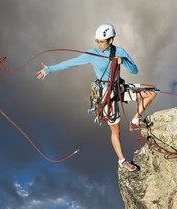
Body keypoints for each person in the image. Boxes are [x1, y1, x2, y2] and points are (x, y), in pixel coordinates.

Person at [36, 23, 157, 172]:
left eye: (102, 41)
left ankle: (135, 120)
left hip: (119, 87)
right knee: (115, 131)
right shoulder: (92, 54)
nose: (99, 45)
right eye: (97, 41)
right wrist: (49, 69)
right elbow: (72, 63)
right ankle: (122, 160)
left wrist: (122, 61)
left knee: (151, 92)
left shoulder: (119, 51)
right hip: (105, 93)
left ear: (111, 40)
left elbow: (134, 70)